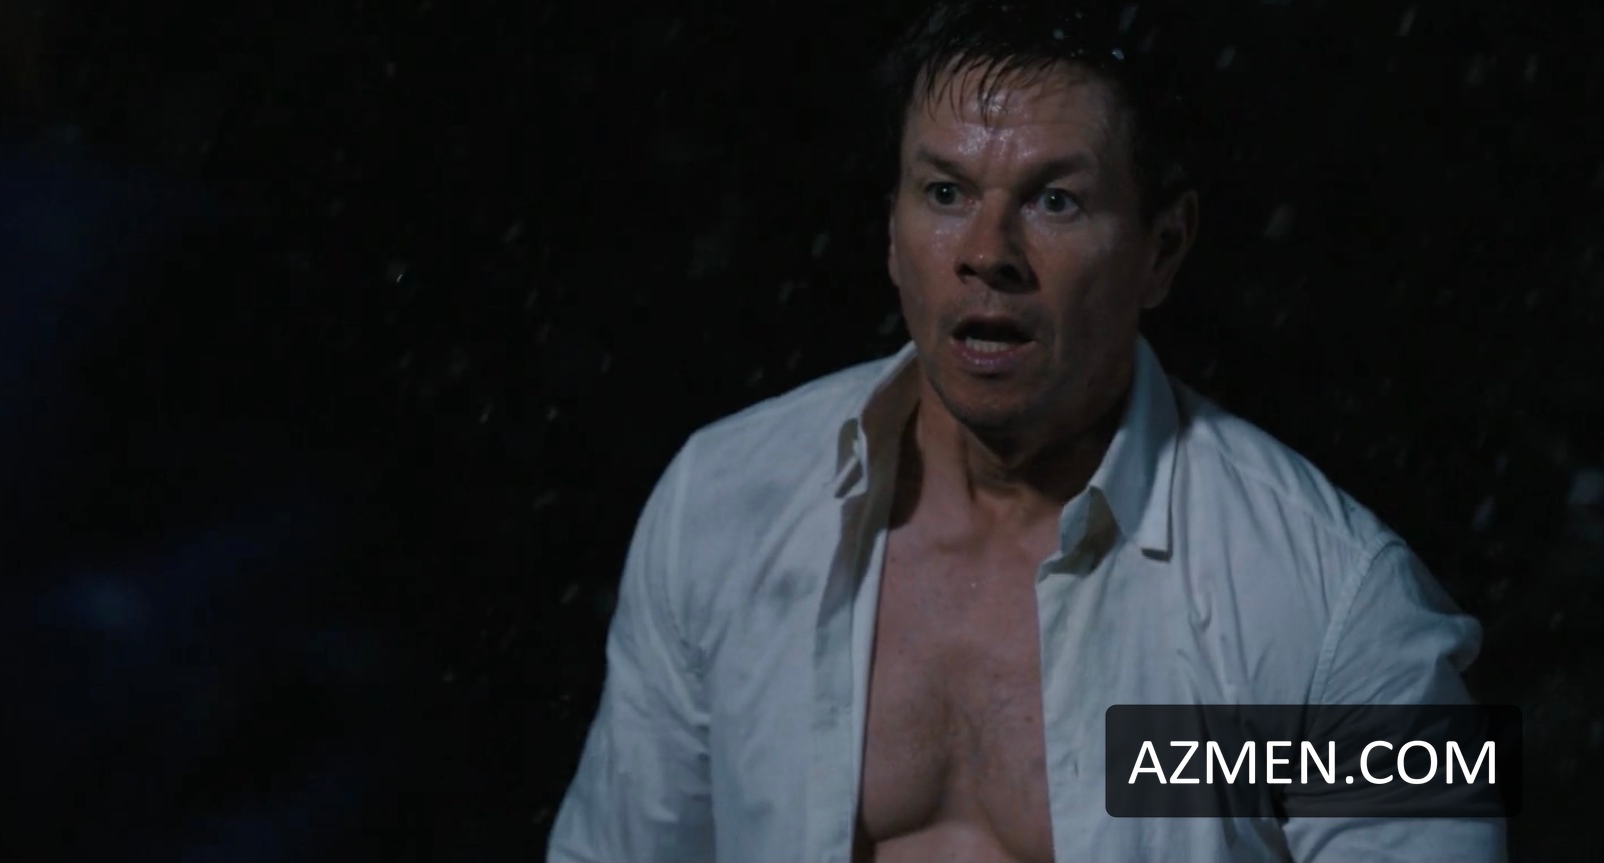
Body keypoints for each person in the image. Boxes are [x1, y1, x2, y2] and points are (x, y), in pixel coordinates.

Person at [546, 0, 1504, 861]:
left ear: (1162, 249)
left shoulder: (1330, 599)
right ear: (891, 232)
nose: (987, 254)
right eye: (946, 192)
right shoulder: (721, 506)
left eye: (1056, 200)